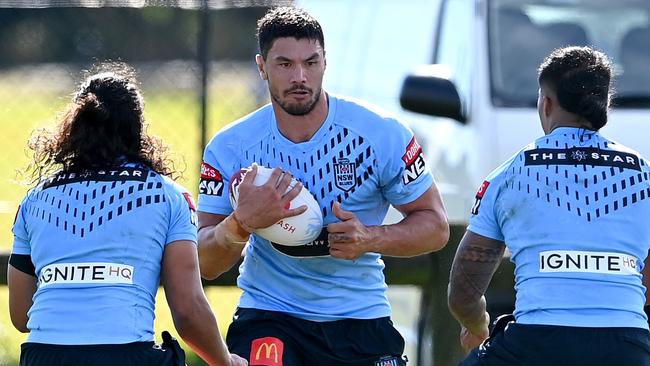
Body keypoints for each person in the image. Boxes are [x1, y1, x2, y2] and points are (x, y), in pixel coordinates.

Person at [196, 6, 449, 366]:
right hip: (271, 317)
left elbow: (436, 228)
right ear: (261, 67)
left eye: (310, 62)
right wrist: (241, 222)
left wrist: (371, 238)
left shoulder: (381, 134)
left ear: (325, 63)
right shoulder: (231, 147)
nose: (300, 76)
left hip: (360, 319)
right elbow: (204, 263)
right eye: (284, 64)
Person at [7, 63, 247, 366]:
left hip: (43, 355)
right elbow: (188, 312)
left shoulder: (34, 199)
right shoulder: (168, 196)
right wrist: (226, 362)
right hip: (127, 354)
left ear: (75, 125)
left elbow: (21, 315)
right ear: (138, 127)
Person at [447, 46, 650, 366]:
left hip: (536, 343)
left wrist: (476, 328)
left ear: (547, 103)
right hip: (627, 345)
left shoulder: (510, 175)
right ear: (604, 105)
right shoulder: (644, 174)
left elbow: (463, 290)